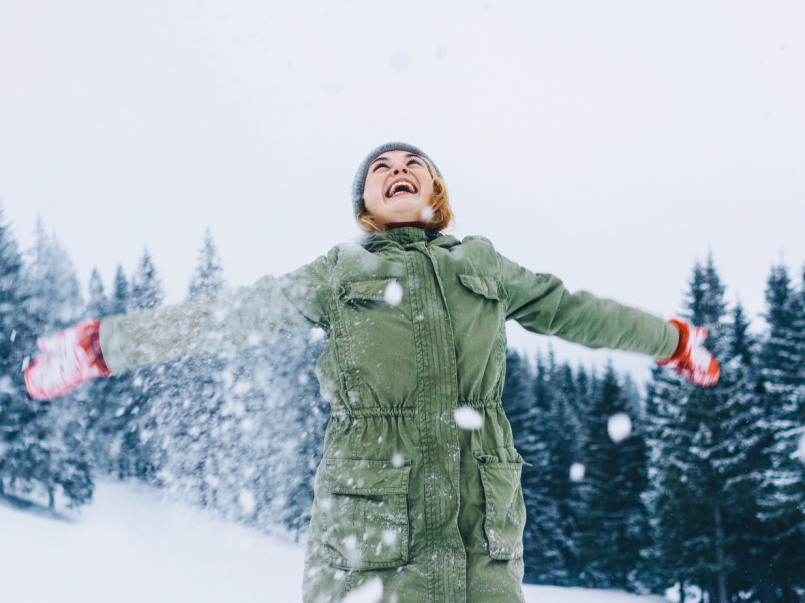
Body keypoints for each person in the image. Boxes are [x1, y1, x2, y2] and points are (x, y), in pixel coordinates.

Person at [24, 142, 719, 603]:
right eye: (380, 166)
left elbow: (576, 312)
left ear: (434, 189)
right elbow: (233, 313)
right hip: (370, 528)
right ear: (366, 201)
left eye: (412, 162)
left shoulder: (482, 263)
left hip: (484, 529)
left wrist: (672, 340)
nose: (397, 167)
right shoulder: (340, 272)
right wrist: (103, 345)